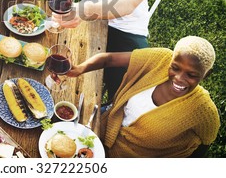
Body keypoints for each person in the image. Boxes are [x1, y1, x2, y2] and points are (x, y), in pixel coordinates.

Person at [65, 36, 220, 157]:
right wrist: (79, 69)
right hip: (106, 123)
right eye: (175, 68)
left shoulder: (203, 110)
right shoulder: (161, 59)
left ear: (206, 75)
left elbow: (205, 144)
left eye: (191, 75)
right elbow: (109, 59)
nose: (179, 78)